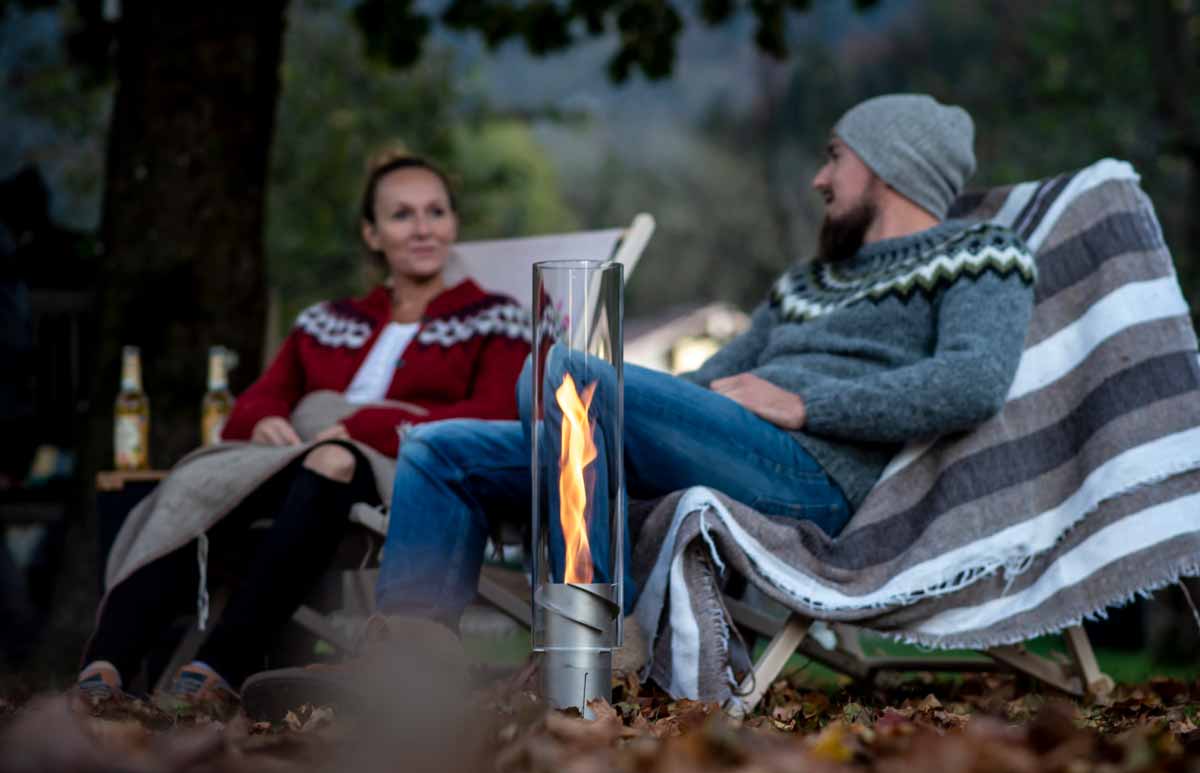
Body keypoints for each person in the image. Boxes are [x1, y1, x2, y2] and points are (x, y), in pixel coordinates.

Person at [243, 94, 1037, 708]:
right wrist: (608, 413)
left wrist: (805, 404)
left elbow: (972, 381)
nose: (819, 177)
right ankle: (406, 667)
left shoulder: (982, 255)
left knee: (552, 374)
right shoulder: (806, 281)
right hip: (733, 438)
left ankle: (593, 630)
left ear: (888, 165)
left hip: (812, 476)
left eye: (834, 157)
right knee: (442, 448)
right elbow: (708, 385)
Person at [77, 154, 531, 705]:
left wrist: (360, 427)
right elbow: (258, 401)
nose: (422, 228)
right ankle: (108, 662)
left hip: (411, 462)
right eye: (402, 215)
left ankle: (220, 666)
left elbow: (493, 413)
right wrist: (267, 419)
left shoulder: (495, 316)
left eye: (436, 212)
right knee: (200, 485)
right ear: (372, 233)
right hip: (296, 455)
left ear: (454, 224)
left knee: (332, 459)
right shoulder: (327, 320)